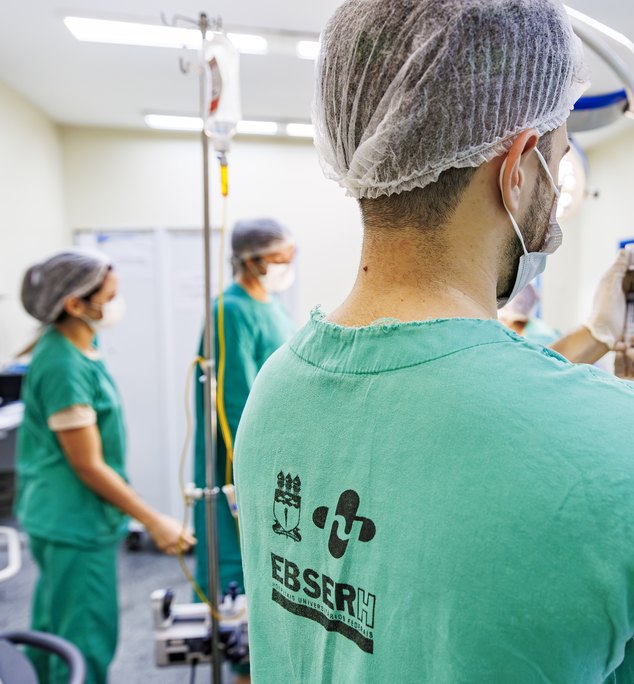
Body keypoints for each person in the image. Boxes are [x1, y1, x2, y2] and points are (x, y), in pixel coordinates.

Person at [234, 1, 634, 682]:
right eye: (559, 163)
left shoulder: (276, 388)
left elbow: (468, 401)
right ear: (518, 167)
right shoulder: (613, 445)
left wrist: (599, 337)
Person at [17, 249, 195, 684]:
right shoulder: (62, 364)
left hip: (59, 514)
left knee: (52, 625)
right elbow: (88, 465)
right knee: (85, 639)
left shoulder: (80, 346)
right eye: (110, 295)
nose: (117, 303)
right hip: (73, 521)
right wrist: (153, 521)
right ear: (75, 305)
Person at [193, 219, 295, 683]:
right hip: (244, 465)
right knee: (239, 568)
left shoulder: (270, 306)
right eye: (280, 257)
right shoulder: (228, 311)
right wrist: (252, 476)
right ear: (252, 260)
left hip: (276, 456)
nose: (288, 263)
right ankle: (242, 668)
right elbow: (233, 402)